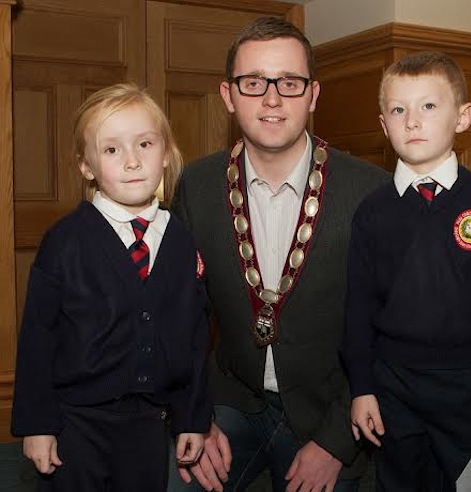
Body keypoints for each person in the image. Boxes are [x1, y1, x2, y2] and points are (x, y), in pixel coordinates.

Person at [169, 15, 390, 492]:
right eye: (254, 83)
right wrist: (194, 415)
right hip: (230, 399)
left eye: (289, 83)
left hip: (331, 410)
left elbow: (390, 328)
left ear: (313, 95)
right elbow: (179, 316)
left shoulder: (371, 192)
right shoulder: (198, 186)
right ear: (228, 96)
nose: (271, 99)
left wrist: (336, 443)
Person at [341, 51, 471, 491]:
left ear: (462, 117)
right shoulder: (372, 212)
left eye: (429, 106)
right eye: (398, 109)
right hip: (394, 385)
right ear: (383, 123)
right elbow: (358, 308)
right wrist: (362, 387)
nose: (412, 121)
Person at [11, 83, 211, 492]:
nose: (133, 161)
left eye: (145, 144)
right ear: (86, 165)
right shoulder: (64, 242)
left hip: (149, 423)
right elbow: (37, 338)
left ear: (167, 153)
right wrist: (38, 424)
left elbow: (193, 336)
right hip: (76, 424)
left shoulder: (181, 240)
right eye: (112, 150)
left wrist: (192, 417)